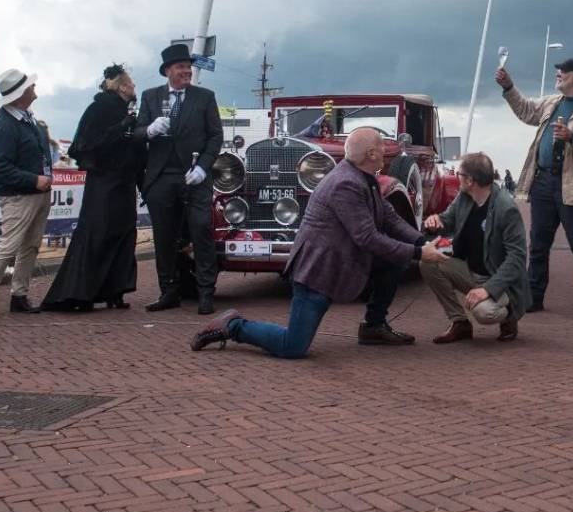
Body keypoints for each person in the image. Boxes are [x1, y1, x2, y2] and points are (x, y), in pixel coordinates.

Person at [189, 127, 448, 356]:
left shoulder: (362, 177)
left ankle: (374, 327)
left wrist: (424, 241)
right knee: (293, 346)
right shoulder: (345, 183)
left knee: (392, 261)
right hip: (319, 271)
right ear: (370, 153)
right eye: (381, 145)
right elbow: (367, 237)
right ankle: (233, 326)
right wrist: (419, 253)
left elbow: (390, 219)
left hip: (340, 262)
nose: (385, 149)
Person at [496, 57, 573, 315]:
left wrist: (572, 136)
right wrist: (509, 87)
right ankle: (533, 297)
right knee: (538, 242)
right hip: (544, 182)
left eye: (563, 72)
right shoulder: (552, 102)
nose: (558, 75)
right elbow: (526, 110)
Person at [42, 64, 145, 312]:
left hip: (122, 182)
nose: (134, 88)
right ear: (122, 87)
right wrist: (122, 128)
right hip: (104, 182)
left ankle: (115, 290)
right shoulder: (99, 108)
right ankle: (82, 292)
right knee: (100, 232)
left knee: (123, 233)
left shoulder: (125, 111)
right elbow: (87, 144)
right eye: (131, 84)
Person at [134, 44, 223, 315]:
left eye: (188, 67)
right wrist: (149, 130)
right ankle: (168, 291)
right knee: (164, 237)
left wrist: (204, 168)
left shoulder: (205, 97)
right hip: (161, 176)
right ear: (168, 71)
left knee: (200, 231)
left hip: (194, 176)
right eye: (181, 67)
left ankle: (206, 292)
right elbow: (137, 133)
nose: (187, 71)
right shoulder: (150, 97)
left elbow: (215, 136)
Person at [421, 152, 530, 343]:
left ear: (470, 180)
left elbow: (517, 258)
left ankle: (509, 315)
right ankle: (459, 323)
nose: (457, 177)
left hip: (497, 278)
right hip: (470, 269)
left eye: (459, 174)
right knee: (427, 259)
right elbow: (447, 220)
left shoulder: (506, 208)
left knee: (483, 312)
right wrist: (435, 221)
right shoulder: (464, 196)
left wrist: (488, 289)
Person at [0, 69, 52, 320]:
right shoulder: (5, 126)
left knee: (29, 246)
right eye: (31, 88)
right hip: (19, 195)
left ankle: (19, 294)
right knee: (8, 247)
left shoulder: (23, 119)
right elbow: (1, 168)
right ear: (21, 95)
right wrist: (34, 179)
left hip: (35, 192)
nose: (35, 92)